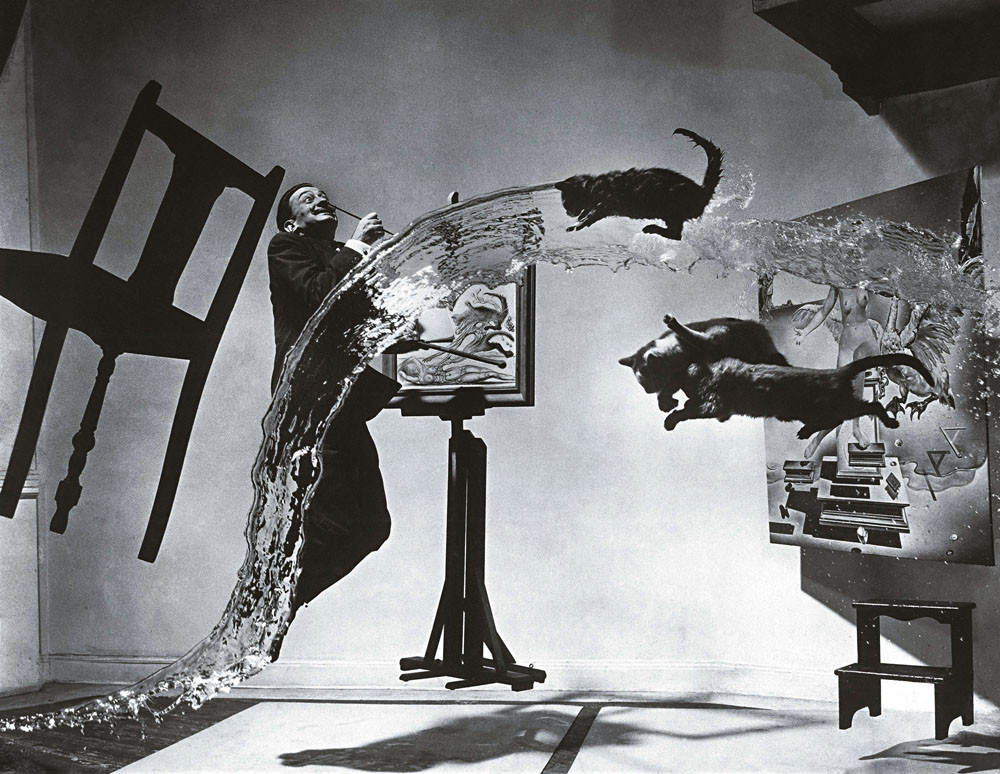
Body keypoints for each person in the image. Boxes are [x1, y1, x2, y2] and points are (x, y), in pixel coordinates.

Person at [267, 183, 401, 614]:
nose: (320, 198)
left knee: (372, 526)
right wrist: (359, 245)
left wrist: (400, 330)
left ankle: (282, 600)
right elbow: (316, 296)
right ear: (292, 223)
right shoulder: (285, 246)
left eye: (321, 194)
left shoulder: (344, 256)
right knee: (329, 515)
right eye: (306, 199)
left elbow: (359, 322)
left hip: (340, 402)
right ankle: (274, 598)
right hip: (309, 399)